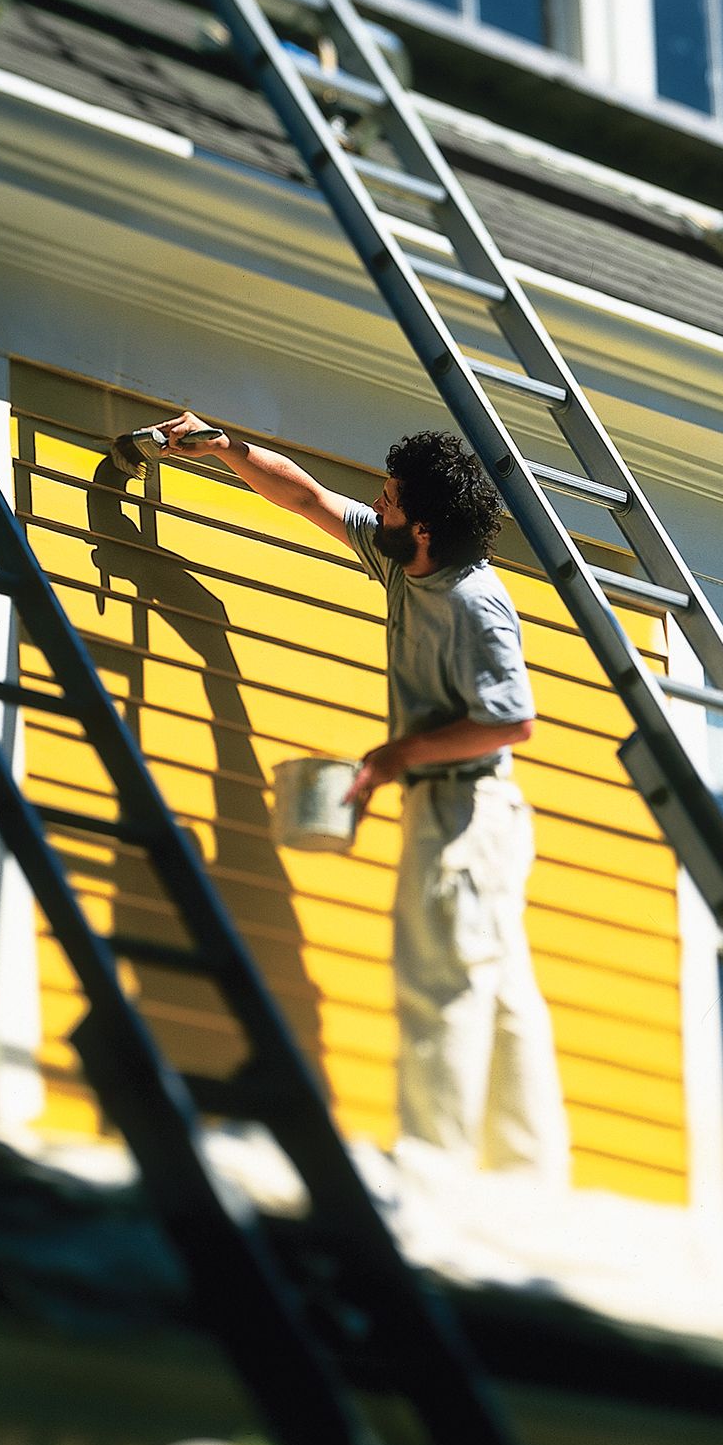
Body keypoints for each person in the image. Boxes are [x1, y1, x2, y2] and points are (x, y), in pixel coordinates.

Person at [153, 412, 572, 1182]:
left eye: (387, 499)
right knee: (502, 993)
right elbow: (308, 497)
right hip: (456, 809)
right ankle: (528, 1174)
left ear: (423, 525)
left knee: (438, 978)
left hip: (467, 810)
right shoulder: (399, 562)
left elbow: (511, 723)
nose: (373, 507)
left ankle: (433, 1162)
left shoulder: (473, 602)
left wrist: (393, 755)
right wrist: (224, 446)